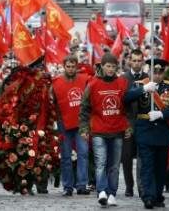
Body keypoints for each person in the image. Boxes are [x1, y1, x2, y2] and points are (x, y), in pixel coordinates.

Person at [79, 53, 140, 207]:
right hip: (99, 130)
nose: (111, 69)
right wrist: (84, 128)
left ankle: (112, 193)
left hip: (118, 131)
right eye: (108, 66)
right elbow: (84, 108)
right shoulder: (92, 84)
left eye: (113, 66)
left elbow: (129, 108)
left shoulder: (122, 83)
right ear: (102, 66)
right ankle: (101, 191)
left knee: (114, 165)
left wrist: (129, 126)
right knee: (101, 163)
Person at [132, 58, 169, 209]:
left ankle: (158, 195)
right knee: (147, 166)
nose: (157, 75)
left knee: (160, 168)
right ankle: (148, 197)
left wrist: (161, 114)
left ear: (164, 72)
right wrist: (144, 89)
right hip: (145, 130)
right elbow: (126, 98)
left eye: (160, 72)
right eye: (155, 72)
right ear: (149, 71)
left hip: (162, 132)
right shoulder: (141, 84)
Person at [52, 55, 90, 196]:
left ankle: (81, 185)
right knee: (66, 156)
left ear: (77, 67)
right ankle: (67, 187)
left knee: (83, 154)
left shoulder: (85, 80)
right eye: (68, 66)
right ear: (64, 66)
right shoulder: (56, 83)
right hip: (64, 123)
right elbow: (52, 102)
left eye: (73, 66)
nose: (70, 69)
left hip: (81, 123)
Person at [122, 49, 148, 197]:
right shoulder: (124, 78)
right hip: (128, 122)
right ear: (130, 61)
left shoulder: (147, 78)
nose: (137, 63)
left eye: (139, 60)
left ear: (143, 61)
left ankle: (141, 186)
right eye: (135, 60)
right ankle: (129, 186)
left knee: (142, 156)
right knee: (126, 157)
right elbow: (123, 99)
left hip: (143, 121)